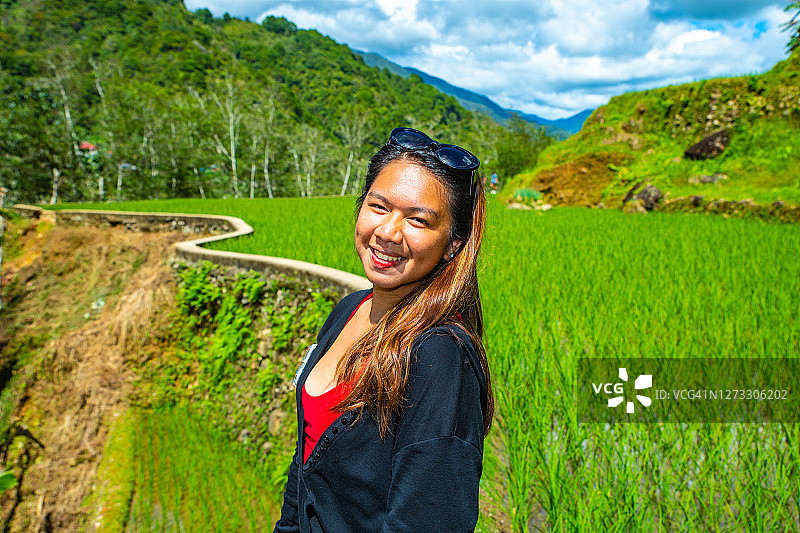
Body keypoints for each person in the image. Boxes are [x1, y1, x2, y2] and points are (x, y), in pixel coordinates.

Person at [273, 127, 494, 533]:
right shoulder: (349, 310)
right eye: (379, 206)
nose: (389, 232)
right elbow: (306, 461)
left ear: (453, 243)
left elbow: (427, 521)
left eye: (418, 220)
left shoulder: (438, 356)